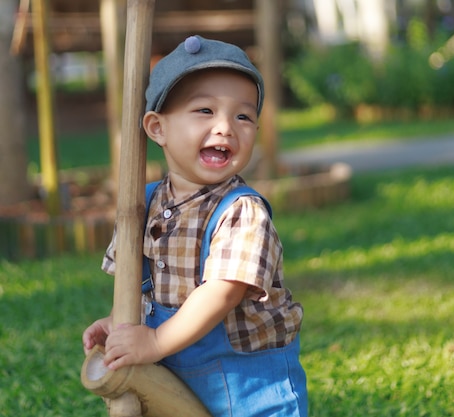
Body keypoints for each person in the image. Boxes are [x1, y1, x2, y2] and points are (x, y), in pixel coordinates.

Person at [82, 35, 307, 416]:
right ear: (157, 129)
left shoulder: (242, 211)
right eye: (204, 110)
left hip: (248, 387)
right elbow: (142, 285)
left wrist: (153, 342)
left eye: (243, 116)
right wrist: (123, 323)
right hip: (176, 376)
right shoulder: (141, 206)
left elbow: (222, 292)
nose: (226, 127)